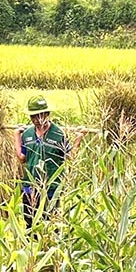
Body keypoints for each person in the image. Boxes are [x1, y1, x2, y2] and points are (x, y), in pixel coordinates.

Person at [14, 95, 85, 229]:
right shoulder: (27, 134)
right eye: (33, 116)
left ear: (47, 114)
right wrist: (16, 135)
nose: (37, 119)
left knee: (51, 226)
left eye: (40, 115)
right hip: (31, 188)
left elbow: (70, 157)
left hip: (52, 189)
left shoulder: (58, 134)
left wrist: (78, 139)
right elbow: (22, 158)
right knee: (31, 226)